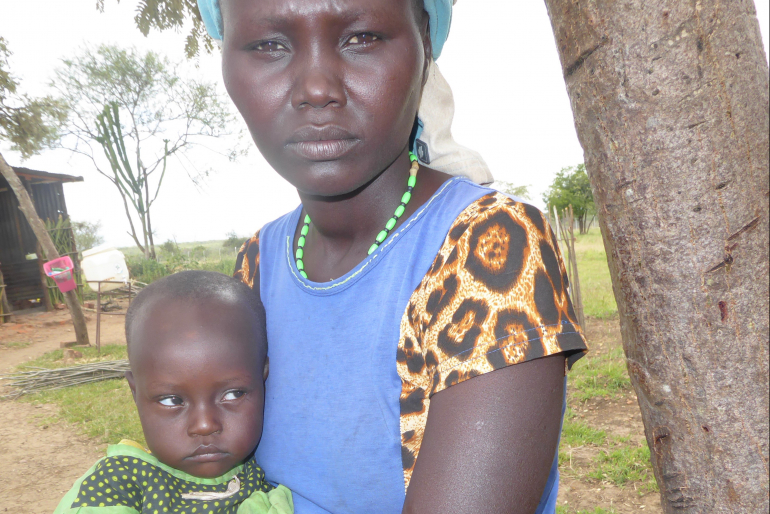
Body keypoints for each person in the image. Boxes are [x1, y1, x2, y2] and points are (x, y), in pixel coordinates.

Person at [199, 0, 588, 512]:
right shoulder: (258, 262)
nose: (317, 89)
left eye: (360, 38)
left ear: (425, 47)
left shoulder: (487, 247)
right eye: (269, 45)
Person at [53, 271, 293, 514]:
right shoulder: (116, 483)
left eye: (233, 394)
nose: (204, 425)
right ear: (135, 393)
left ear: (264, 380)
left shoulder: (268, 481)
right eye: (172, 400)